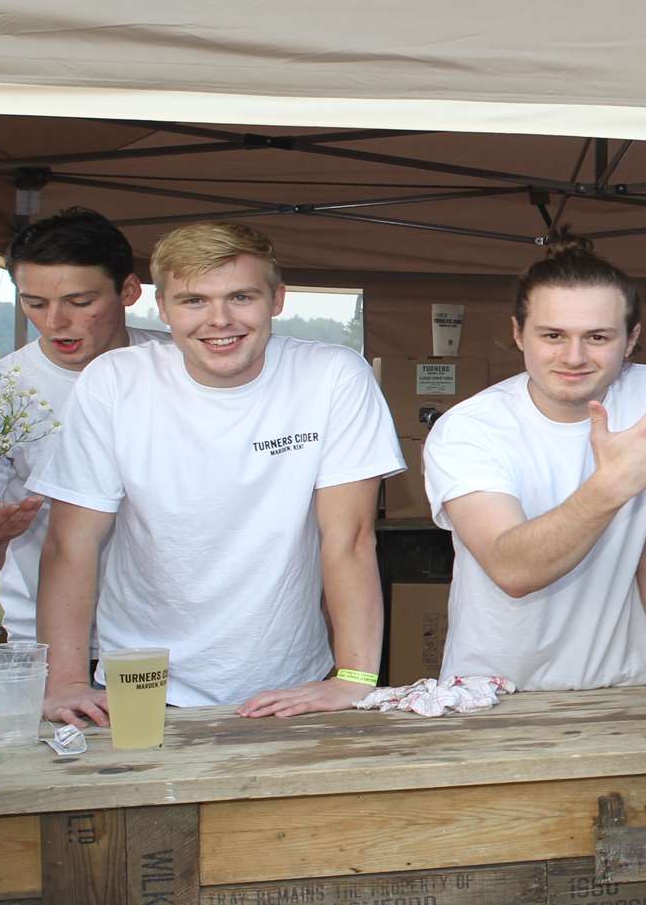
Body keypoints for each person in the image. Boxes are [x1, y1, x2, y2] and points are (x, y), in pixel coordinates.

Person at [30, 222, 404, 722]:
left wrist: (354, 678)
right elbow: (70, 544)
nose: (219, 320)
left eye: (241, 297)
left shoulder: (332, 375)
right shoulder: (115, 381)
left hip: (290, 684)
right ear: (161, 308)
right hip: (140, 682)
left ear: (277, 299)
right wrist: (67, 683)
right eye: (193, 301)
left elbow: (350, 538)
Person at [422, 238, 646, 689]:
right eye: (553, 335)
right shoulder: (469, 429)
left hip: (635, 684)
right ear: (518, 333)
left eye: (598, 337)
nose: (574, 357)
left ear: (632, 338)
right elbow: (514, 569)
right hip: (500, 692)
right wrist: (612, 486)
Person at [0, 208, 168, 649]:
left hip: (184, 636)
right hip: (54, 644)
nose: (55, 323)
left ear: (129, 290)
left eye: (79, 302)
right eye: (34, 303)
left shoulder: (182, 365)